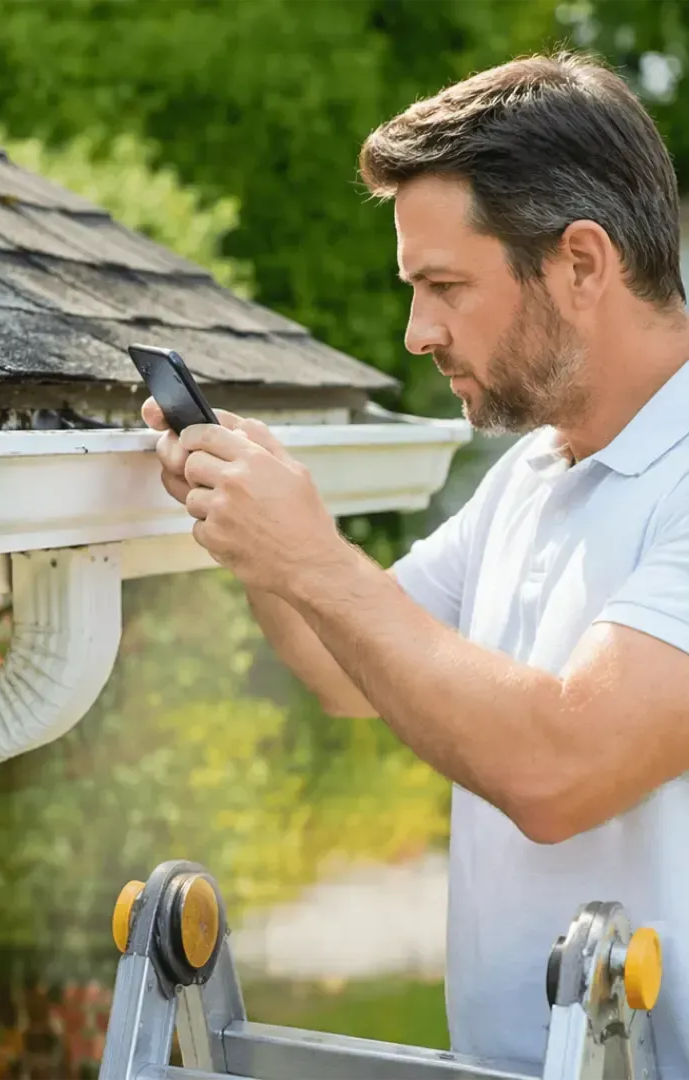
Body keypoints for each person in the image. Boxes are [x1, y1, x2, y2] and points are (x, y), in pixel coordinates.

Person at [143, 50, 689, 1078]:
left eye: (444, 286)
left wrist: (312, 555)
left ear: (581, 264)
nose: (417, 330)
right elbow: (349, 662)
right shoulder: (532, 471)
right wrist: (256, 528)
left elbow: (560, 768)